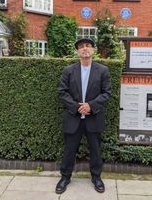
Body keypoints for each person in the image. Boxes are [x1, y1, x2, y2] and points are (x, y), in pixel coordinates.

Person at [55, 38, 112, 194]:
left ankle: (96, 177)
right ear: (78, 52)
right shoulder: (68, 70)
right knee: (69, 150)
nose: (84, 49)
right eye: (81, 47)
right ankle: (65, 177)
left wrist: (91, 106)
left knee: (95, 150)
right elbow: (62, 92)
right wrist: (77, 107)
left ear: (93, 50)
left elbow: (107, 93)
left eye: (87, 46)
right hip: (74, 117)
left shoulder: (102, 71)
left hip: (94, 117)